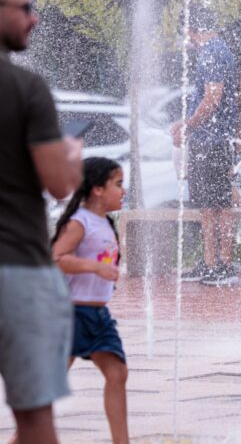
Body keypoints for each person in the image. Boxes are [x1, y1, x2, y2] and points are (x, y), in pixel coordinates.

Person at [0, 0, 83, 444]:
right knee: (35, 423)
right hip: (17, 272)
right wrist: (71, 157)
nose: (34, 19)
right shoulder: (25, 88)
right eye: (25, 9)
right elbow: (58, 185)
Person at [50, 157, 129, 444]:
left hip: (97, 315)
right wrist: (95, 267)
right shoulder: (79, 222)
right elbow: (56, 258)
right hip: (72, 314)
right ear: (97, 189)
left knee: (117, 373)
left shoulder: (105, 222)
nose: (124, 190)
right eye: (118, 184)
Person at [170, 6, 240, 287]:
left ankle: (220, 266)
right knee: (215, 204)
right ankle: (215, 262)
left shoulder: (211, 52)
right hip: (215, 140)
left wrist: (188, 126)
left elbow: (212, 99)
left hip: (210, 142)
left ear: (190, 30)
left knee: (213, 205)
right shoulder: (220, 49)